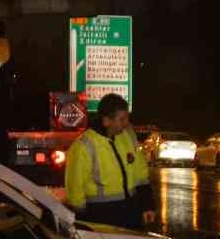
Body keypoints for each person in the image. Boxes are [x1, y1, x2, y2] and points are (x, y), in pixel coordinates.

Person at [64, 93, 158, 231]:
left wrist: (147, 205)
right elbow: (75, 190)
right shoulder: (83, 146)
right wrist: (84, 222)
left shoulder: (127, 136)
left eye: (127, 118)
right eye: (122, 119)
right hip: (101, 218)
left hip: (131, 213)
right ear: (106, 121)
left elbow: (141, 174)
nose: (127, 123)